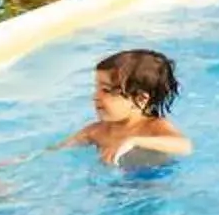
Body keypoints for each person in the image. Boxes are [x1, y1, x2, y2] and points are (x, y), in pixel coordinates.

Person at [61, 48, 192, 166]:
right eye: (97, 88)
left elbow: (184, 146)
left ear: (140, 99)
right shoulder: (96, 131)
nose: (95, 96)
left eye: (106, 90)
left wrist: (134, 141)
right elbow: (57, 151)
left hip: (155, 181)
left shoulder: (153, 127)